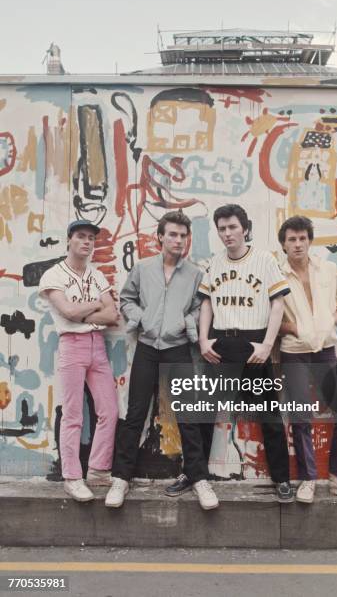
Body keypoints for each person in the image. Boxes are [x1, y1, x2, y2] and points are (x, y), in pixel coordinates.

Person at [105, 211, 218, 510]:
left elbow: (200, 308)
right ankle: (121, 478)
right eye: (173, 234)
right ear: (160, 237)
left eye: (183, 235)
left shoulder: (195, 274)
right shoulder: (143, 269)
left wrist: (185, 323)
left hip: (178, 348)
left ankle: (198, 478)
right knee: (135, 414)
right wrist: (141, 318)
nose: (178, 240)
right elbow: (126, 299)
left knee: (188, 416)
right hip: (146, 347)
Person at [198, 203, 294, 503]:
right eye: (222, 229)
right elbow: (206, 304)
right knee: (202, 412)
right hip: (222, 344)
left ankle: (281, 479)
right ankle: (195, 474)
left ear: (245, 228)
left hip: (254, 344)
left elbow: (278, 303)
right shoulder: (214, 263)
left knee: (269, 414)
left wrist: (267, 344)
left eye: (232, 227)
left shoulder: (264, 260)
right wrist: (203, 340)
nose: (227, 234)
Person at [277, 215, 337, 503]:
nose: (298, 243)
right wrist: (296, 327)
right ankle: (307, 479)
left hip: (325, 350)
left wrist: (330, 320)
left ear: (310, 241)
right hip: (294, 353)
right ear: (284, 244)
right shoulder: (277, 276)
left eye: (303, 238)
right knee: (301, 418)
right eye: (292, 239)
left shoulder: (328, 270)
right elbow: (270, 320)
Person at [39, 220, 119, 502]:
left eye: (91, 239)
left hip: (98, 347)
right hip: (72, 346)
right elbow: (68, 312)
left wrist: (84, 312)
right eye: (81, 237)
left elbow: (112, 316)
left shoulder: (97, 275)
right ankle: (72, 477)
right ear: (69, 240)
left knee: (109, 409)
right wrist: (95, 305)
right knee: (73, 414)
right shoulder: (53, 275)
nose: (87, 242)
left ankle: (97, 470)